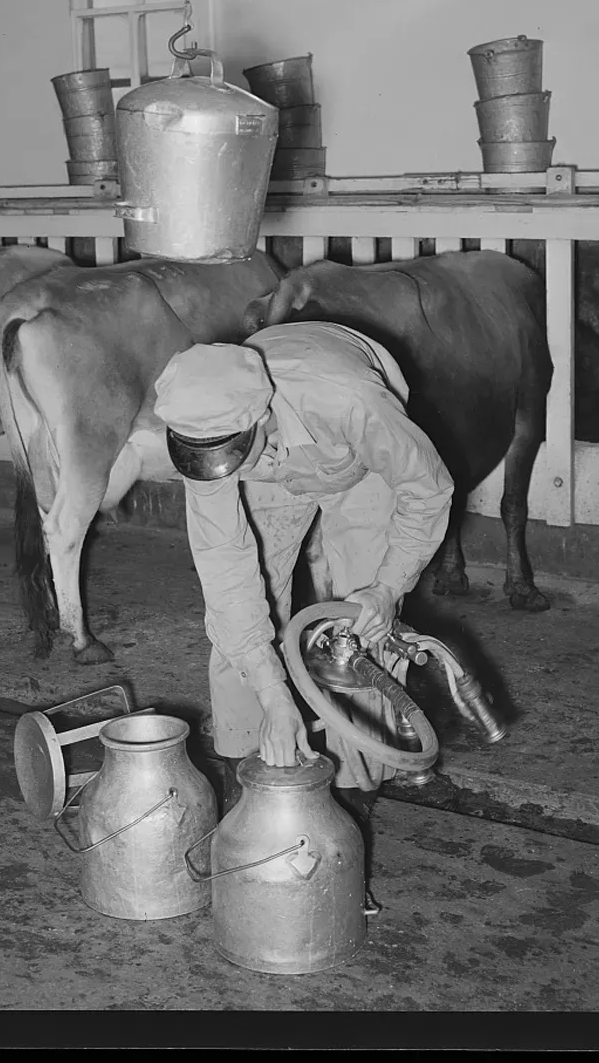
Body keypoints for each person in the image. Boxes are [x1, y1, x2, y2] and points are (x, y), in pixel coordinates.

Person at [153, 320, 455, 823]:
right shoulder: (204, 422)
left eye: (228, 451)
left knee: (359, 626)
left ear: (261, 417)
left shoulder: (352, 401)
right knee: (236, 628)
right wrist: (274, 696)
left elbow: (427, 489)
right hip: (267, 466)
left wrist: (387, 588)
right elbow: (225, 573)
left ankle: (353, 792)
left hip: (355, 461)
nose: (217, 465)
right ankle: (247, 774)